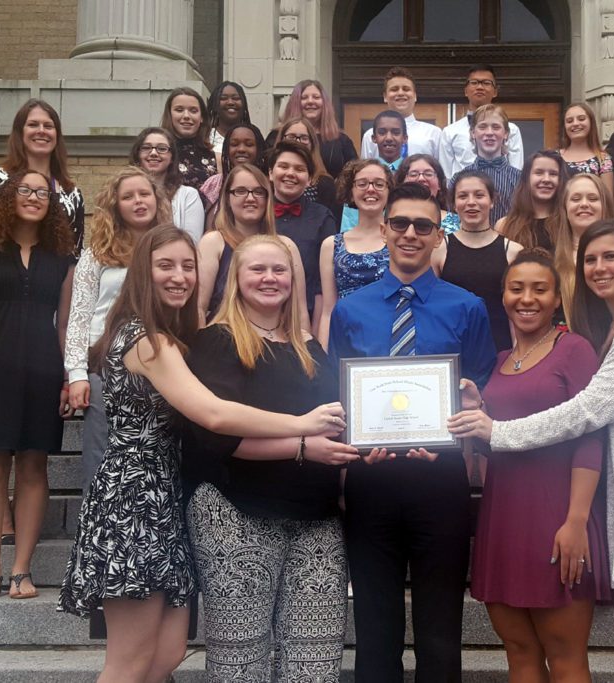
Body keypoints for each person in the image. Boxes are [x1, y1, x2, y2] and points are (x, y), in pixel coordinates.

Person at [59, 224, 348, 683]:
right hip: (134, 500)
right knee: (129, 663)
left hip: (163, 495)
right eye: (165, 266)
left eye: (188, 266)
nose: (179, 276)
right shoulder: (148, 340)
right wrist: (302, 431)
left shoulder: (172, 337)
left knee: (168, 653)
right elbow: (212, 416)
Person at [449, 218, 614, 683]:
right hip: (604, 496)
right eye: (590, 259)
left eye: (611, 257)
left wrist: (496, 431)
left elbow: (586, 414)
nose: (599, 268)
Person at [328, 182, 496, 683]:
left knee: (441, 628)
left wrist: (470, 402)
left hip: (440, 478)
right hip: (370, 479)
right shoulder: (349, 310)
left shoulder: (467, 307)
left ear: (438, 235)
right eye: (400, 223)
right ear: (383, 229)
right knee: (375, 630)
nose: (410, 234)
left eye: (423, 225)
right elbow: (338, 393)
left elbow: (482, 383)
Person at [183, 235, 360, 681]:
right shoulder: (215, 341)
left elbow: (337, 420)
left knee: (316, 658)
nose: (269, 278)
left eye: (279, 270)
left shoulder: (307, 345)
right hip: (236, 511)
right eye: (257, 270)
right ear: (236, 279)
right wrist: (303, 446)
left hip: (315, 516)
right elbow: (217, 438)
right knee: (241, 659)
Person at [461, 248, 611, 681]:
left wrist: (576, 522)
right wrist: (475, 416)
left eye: (540, 289)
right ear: (503, 295)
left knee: (565, 659)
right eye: (517, 288)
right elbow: (498, 443)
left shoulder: (574, 350)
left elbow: (590, 435)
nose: (527, 298)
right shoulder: (501, 360)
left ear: (557, 298)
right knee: (520, 652)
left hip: (557, 517)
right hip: (503, 518)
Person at [0, 171, 76, 600]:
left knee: (33, 467)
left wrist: (66, 379)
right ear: (8, 196)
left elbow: (66, 324)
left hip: (43, 369)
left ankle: (22, 570)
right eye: (25, 189)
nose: (34, 197)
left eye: (43, 192)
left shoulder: (62, 257)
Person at [66, 168, 171, 487]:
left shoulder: (170, 248)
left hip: (161, 364)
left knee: (156, 448)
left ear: (156, 199)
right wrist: (76, 375)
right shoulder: (96, 254)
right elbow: (80, 315)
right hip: (104, 365)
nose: (138, 201)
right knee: (101, 452)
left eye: (144, 194)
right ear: (116, 205)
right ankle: (96, 530)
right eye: (128, 197)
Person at [197, 163, 310, 330]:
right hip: (225, 346)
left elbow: (299, 313)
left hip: (278, 347)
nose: (250, 198)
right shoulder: (213, 242)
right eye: (240, 191)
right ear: (227, 198)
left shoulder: (286, 246)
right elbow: (198, 308)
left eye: (258, 192)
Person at [0, 98, 85, 256]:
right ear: (20, 132)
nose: (41, 130)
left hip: (54, 278)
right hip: (0, 275)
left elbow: (76, 252)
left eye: (48, 126)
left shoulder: (72, 194)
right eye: (33, 124)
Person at [435, 170, 523, 352]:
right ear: (454, 204)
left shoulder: (513, 251)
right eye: (463, 196)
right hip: (452, 348)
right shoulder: (439, 249)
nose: (471, 202)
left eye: (479, 195)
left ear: (492, 201)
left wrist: (518, 355)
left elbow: (516, 313)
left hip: (500, 348)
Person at [318, 159, 391, 348]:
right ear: (351, 190)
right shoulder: (331, 245)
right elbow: (328, 310)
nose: (370, 189)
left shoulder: (400, 241)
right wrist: (326, 362)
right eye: (362, 183)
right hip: (346, 338)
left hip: (391, 337)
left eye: (379, 184)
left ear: (389, 191)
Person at [268, 141, 336, 330]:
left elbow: (324, 283)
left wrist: (314, 332)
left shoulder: (322, 217)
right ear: (270, 173)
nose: (290, 173)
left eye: (299, 169)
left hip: (304, 319)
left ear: (309, 179)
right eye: (283, 166)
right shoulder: (256, 212)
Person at [552, 173, 614, 326]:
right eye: (575, 199)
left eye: (593, 198)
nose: (584, 204)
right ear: (565, 209)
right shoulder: (549, 262)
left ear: (605, 206)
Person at [439, 64, 524, 176]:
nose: (479, 87)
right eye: (474, 82)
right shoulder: (450, 132)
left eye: (486, 83)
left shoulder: (512, 129)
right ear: (466, 91)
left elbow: (516, 171)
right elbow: (446, 175)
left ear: (495, 92)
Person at [128, 127, 204, 243]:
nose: (153, 153)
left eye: (162, 149)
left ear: (172, 158)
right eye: (146, 148)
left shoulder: (188, 196)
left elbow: (192, 244)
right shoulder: (122, 193)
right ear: (137, 154)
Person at [273, 79, 358, 179]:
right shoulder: (276, 136)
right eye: (304, 98)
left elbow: (354, 175)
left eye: (316, 97)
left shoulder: (342, 140)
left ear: (324, 103)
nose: (310, 101)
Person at [458, 104, 521, 225]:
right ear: (472, 133)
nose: (489, 132)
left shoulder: (520, 179)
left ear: (506, 134)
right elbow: (452, 219)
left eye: (496, 127)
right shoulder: (459, 178)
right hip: (470, 242)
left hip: (509, 242)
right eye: (482, 127)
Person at [360, 67, 442, 160]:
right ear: (385, 96)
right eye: (394, 89)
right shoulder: (370, 135)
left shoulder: (433, 134)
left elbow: (440, 172)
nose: (400, 93)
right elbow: (366, 170)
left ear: (415, 96)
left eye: (406, 89)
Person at [496, 151, 570, 252]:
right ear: (526, 178)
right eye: (539, 173)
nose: (546, 179)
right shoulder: (504, 225)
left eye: (553, 174)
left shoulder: (569, 222)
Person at [273, 115, 341, 219]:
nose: (297, 141)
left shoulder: (325, 184)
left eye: (304, 138)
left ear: (312, 143)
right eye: (291, 136)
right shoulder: (270, 180)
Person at [198, 121, 268, 217]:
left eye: (249, 144)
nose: (241, 149)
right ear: (226, 149)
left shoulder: (268, 184)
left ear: (259, 149)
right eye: (234, 144)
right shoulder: (214, 184)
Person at [161, 87, 216, 189]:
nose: (186, 116)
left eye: (193, 110)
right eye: (179, 110)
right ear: (170, 115)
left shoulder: (216, 158)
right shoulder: (157, 154)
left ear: (202, 117)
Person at [557, 102, 614, 194]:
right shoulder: (555, 158)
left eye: (581, 119)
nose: (575, 123)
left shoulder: (603, 159)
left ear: (591, 122)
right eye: (569, 121)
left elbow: (607, 199)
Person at [395, 154, 459, 233]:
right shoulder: (389, 219)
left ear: (439, 184)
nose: (421, 179)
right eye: (413, 174)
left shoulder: (458, 223)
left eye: (428, 174)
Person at [205, 80, 251, 158]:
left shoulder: (252, 136)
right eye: (223, 98)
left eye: (236, 98)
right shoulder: (205, 137)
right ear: (214, 104)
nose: (230, 102)